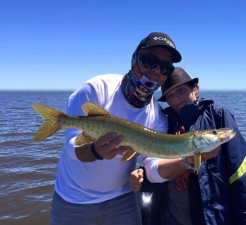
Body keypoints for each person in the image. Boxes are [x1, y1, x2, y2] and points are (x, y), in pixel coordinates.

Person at [50, 32, 183, 225]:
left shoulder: (157, 117)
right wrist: (96, 150)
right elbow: (72, 147)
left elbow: (152, 165)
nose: (156, 71)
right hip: (73, 200)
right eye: (149, 61)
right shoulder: (96, 89)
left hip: (122, 199)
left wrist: (186, 162)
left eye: (165, 68)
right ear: (135, 58)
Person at [130, 67, 246, 225]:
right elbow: (154, 162)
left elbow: (243, 171)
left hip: (209, 218)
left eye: (181, 90)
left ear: (196, 88)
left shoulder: (217, 116)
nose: (177, 98)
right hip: (170, 218)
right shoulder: (165, 122)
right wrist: (142, 175)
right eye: (170, 95)